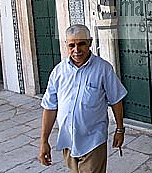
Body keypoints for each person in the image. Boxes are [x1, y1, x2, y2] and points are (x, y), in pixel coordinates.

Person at [38, 24, 127, 173]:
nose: (76, 50)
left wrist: (119, 129)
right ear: (66, 45)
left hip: (93, 140)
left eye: (81, 44)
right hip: (68, 140)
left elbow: (116, 100)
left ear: (90, 43)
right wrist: (44, 141)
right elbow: (50, 107)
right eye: (71, 45)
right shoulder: (58, 72)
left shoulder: (103, 69)